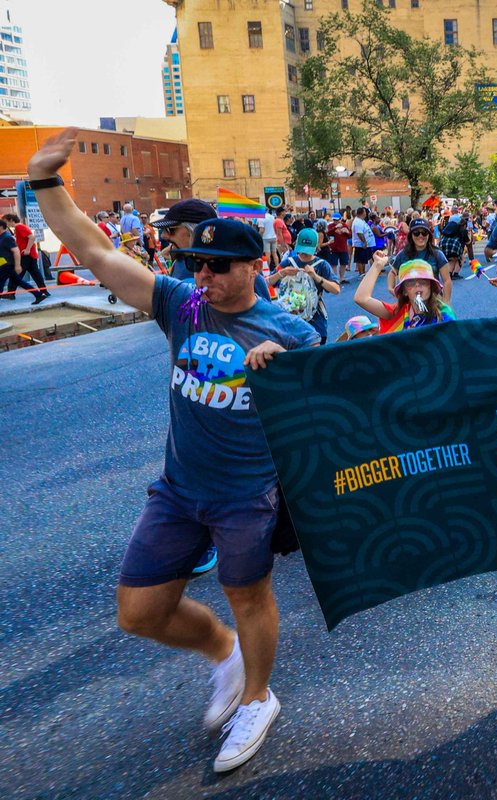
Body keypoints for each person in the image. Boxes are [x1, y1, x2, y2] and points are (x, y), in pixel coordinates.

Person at [26, 128, 321, 772]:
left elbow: (342, 396)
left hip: (248, 495)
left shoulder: (289, 330)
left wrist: (284, 365)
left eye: (219, 266)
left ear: (254, 267)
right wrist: (46, 183)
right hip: (178, 489)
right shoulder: (181, 306)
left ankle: (258, 699)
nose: (204, 275)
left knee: (250, 595)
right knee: (139, 610)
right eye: (197, 265)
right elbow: (98, 254)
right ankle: (223, 651)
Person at [268, 228, 341, 344]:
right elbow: (267, 282)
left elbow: (336, 289)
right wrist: (282, 273)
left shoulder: (322, 265)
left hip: (315, 319)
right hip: (290, 317)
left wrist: (316, 277)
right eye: (303, 250)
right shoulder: (288, 262)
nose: (305, 254)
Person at [356, 253, 455, 332]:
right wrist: (377, 265)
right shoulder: (399, 312)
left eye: (423, 281)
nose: (417, 285)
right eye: (411, 283)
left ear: (431, 286)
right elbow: (361, 299)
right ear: (404, 291)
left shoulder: (443, 314)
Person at [149, 198, 223, 278]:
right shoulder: (181, 262)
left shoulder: (220, 268)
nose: (163, 235)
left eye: (170, 229)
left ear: (195, 232)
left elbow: (199, 290)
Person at [387, 218, 448, 296]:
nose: (420, 236)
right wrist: (391, 289)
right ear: (411, 235)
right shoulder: (403, 254)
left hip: (434, 300)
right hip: (410, 301)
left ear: (429, 235)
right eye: (416, 233)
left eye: (424, 233)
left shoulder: (437, 254)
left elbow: (447, 280)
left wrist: (446, 303)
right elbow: (392, 272)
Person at [2, 212, 50, 303]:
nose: (5, 224)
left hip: (26, 255)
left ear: (11, 220)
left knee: (16, 275)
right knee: (35, 274)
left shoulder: (19, 227)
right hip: (29, 255)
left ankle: (11, 293)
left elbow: (31, 237)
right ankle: (44, 291)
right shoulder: (18, 228)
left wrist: (27, 249)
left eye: (5, 222)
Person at [0, 217, 38, 301]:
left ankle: (39, 294)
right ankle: (39, 294)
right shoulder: (4, 236)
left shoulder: (10, 234)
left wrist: (18, 265)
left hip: (14, 261)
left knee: (18, 279)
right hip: (7, 263)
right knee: (21, 280)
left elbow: (16, 250)